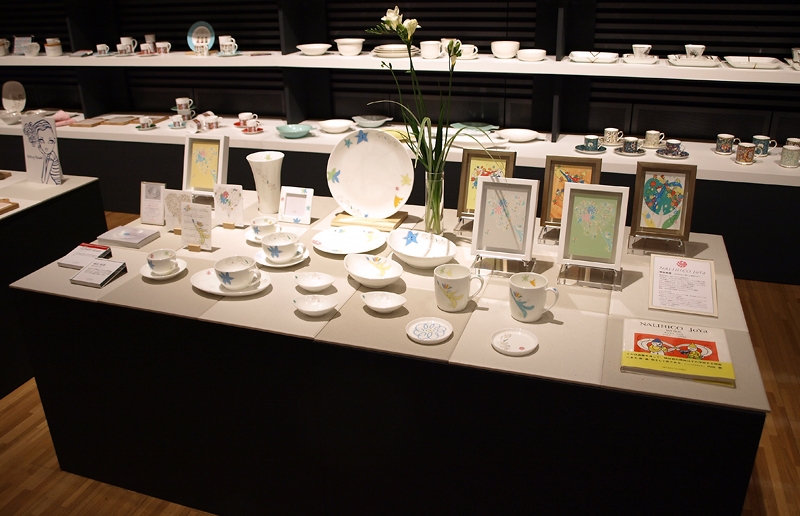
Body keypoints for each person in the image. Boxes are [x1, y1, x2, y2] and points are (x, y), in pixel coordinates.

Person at [23, 118, 61, 185]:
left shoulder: (51, 156)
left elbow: (44, 180)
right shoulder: (46, 154)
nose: (46, 146)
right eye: (41, 141)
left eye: (50, 141)